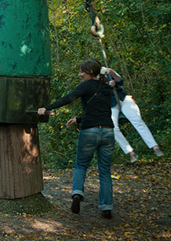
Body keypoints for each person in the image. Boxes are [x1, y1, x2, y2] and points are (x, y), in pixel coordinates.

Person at [38, 59, 115, 219]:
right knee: (105, 171)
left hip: (90, 131)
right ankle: (106, 208)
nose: (80, 74)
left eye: (82, 71)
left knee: (80, 165)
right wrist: (78, 119)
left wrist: (47, 108)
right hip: (107, 131)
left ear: (91, 73)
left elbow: (69, 98)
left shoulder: (86, 86)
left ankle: (77, 193)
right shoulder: (107, 88)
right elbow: (100, 109)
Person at [103, 67, 164, 163]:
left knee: (137, 120)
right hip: (111, 104)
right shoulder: (94, 81)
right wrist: (107, 87)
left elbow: (119, 80)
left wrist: (112, 73)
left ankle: (155, 147)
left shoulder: (108, 73)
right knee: (112, 127)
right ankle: (131, 152)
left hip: (122, 99)